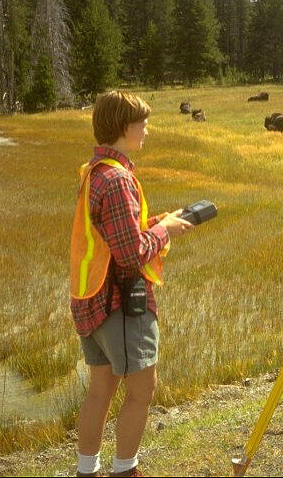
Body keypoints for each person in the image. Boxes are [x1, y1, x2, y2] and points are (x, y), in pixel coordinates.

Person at [69, 91, 194, 477]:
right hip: (121, 304)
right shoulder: (118, 179)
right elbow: (131, 253)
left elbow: (114, 233)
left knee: (100, 390)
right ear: (124, 127)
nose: (147, 130)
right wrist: (165, 230)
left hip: (92, 301)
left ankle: (87, 470)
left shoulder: (95, 171)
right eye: (142, 123)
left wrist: (158, 221)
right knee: (141, 391)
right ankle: (126, 470)